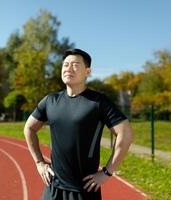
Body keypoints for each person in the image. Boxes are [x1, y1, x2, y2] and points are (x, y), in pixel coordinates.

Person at [24, 48, 134, 200]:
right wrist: (39, 162)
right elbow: (29, 128)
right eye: (65, 64)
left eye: (75, 65)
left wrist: (107, 172)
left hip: (84, 190)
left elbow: (126, 133)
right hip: (53, 187)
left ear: (87, 72)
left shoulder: (98, 102)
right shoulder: (50, 101)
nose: (68, 68)